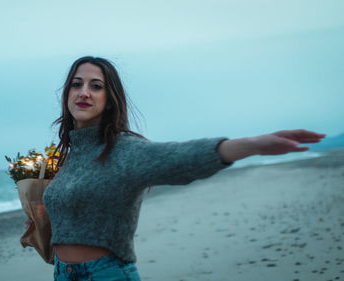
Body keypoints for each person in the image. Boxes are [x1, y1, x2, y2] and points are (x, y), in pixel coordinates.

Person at [42, 56, 325, 281]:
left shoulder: (124, 149)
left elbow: (179, 158)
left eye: (96, 86)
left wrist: (253, 144)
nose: (84, 92)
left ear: (110, 98)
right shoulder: (68, 156)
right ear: (66, 93)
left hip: (105, 274)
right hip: (61, 274)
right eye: (77, 84)